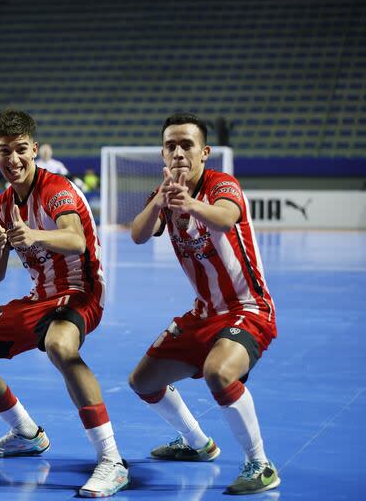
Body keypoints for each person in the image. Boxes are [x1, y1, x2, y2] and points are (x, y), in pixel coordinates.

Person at [0, 109, 128, 498]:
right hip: (39, 297)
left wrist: (33, 235)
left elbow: (76, 239)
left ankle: (111, 460)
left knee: (60, 345)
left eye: (21, 150)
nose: (13, 159)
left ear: (35, 150)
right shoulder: (3, 200)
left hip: (82, 290)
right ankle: (26, 432)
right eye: (4, 151)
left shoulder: (55, 189)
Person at [127, 112, 280, 495]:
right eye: (170, 146)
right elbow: (138, 235)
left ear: (204, 152)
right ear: (163, 154)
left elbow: (227, 219)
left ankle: (260, 464)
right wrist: (160, 202)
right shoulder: (163, 193)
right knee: (143, 382)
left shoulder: (221, 185)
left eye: (186, 145)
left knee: (218, 373)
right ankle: (197, 444)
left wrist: (190, 205)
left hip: (248, 308)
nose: (178, 152)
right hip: (202, 313)